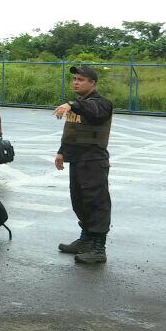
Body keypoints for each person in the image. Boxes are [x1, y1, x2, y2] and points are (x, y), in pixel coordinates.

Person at [54, 66, 113, 264]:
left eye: (81, 79)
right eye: (74, 79)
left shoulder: (101, 103)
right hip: (77, 159)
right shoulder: (78, 104)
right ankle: (86, 239)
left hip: (94, 160)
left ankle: (98, 248)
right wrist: (61, 152)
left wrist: (71, 104)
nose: (76, 82)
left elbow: (93, 112)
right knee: (79, 200)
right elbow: (72, 130)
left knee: (96, 202)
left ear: (92, 83)